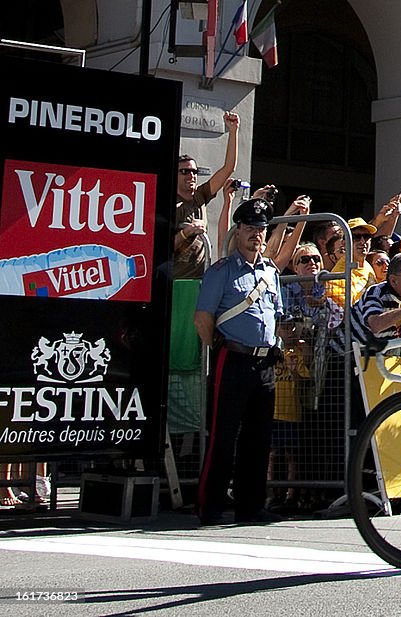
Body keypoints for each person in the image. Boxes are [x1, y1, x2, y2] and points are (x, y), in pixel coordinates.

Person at [194, 198, 283, 525]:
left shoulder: (271, 273)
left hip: (264, 364)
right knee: (223, 436)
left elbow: (276, 313)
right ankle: (210, 506)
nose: (255, 235)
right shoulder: (222, 271)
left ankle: (251, 506)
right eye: (249, 228)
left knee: (258, 439)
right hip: (232, 358)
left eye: (260, 229)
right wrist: (218, 347)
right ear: (238, 231)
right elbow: (203, 317)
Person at [174, 112, 240, 278]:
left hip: (201, 278)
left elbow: (228, 169)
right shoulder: (169, 203)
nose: (191, 175)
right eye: (185, 171)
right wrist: (185, 232)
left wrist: (233, 131)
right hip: (176, 280)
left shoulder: (200, 195)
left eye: (194, 171)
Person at [351, 253, 401, 344]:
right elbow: (375, 325)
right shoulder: (376, 292)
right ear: (393, 281)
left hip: (382, 353)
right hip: (350, 354)